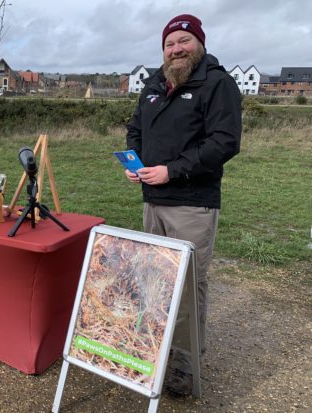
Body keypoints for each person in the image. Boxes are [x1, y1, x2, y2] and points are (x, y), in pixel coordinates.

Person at [125, 14, 242, 396]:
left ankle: (184, 368)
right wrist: (137, 163)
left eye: (183, 41)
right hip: (153, 200)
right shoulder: (155, 84)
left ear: (199, 44)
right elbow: (136, 128)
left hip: (192, 204)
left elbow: (224, 142)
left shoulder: (218, 83)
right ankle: (155, 352)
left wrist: (171, 172)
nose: (176, 49)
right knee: (154, 280)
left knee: (188, 287)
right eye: (169, 43)